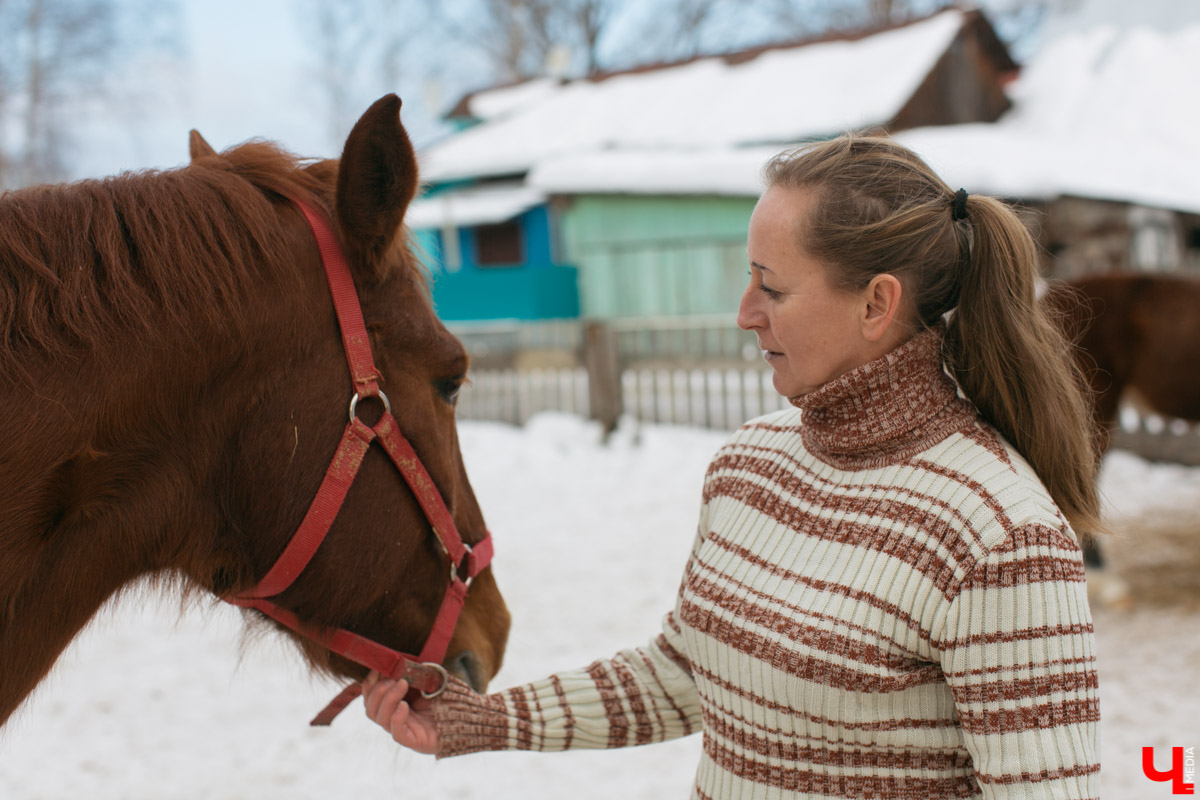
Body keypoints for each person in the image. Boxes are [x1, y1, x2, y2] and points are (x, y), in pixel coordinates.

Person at [362, 135, 1102, 799]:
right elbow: (689, 671)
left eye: (772, 286)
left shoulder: (1000, 536)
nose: (745, 311)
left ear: (877, 303)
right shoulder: (751, 464)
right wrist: (484, 720)